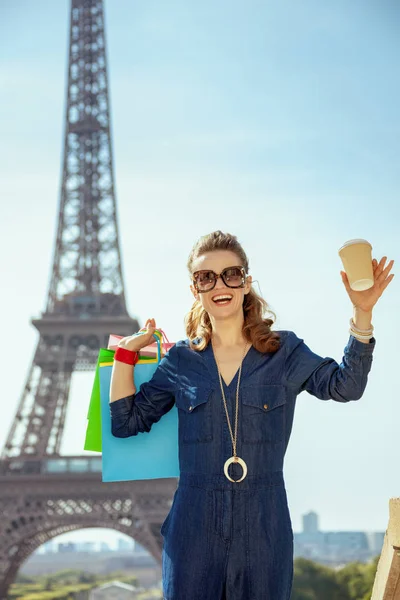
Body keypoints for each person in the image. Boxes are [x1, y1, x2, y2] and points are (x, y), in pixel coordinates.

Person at [109, 231, 394, 600]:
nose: (219, 284)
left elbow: (345, 387)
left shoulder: (284, 351)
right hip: (193, 526)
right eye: (205, 277)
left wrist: (363, 312)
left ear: (246, 281)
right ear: (194, 289)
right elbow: (125, 423)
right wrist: (125, 355)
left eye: (231, 273)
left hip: (264, 523)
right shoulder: (180, 360)